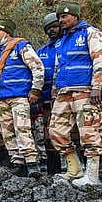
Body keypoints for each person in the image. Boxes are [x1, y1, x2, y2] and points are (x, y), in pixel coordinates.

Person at [48, 1, 102, 186]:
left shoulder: (91, 33)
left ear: (75, 16)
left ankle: (92, 175)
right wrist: (54, 91)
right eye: (59, 17)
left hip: (85, 91)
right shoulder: (61, 41)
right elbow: (58, 67)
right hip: (64, 92)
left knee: (89, 132)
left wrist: (97, 86)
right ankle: (74, 169)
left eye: (65, 16)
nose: (61, 20)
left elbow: (101, 59)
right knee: (55, 131)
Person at [0, 19, 45, 178]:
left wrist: (36, 89)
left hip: (19, 96)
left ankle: (32, 163)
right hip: (2, 99)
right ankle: (17, 163)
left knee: (22, 129)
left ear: (6, 32)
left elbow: (37, 66)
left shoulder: (21, 46)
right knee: (7, 133)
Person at [36, 13, 63, 175]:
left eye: (54, 27)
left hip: (68, 95)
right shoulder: (42, 52)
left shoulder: (67, 44)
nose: (51, 31)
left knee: (76, 134)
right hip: (47, 101)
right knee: (49, 135)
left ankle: (87, 168)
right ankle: (54, 170)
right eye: (48, 29)